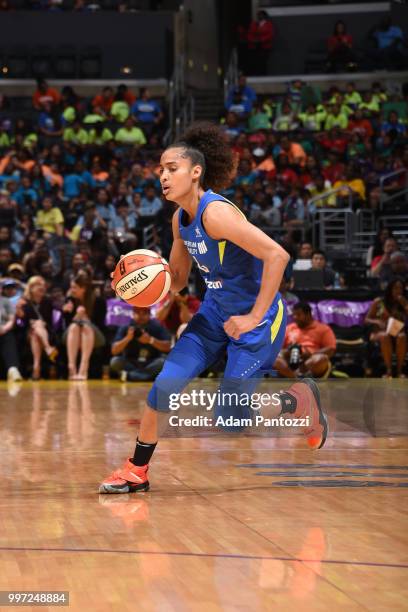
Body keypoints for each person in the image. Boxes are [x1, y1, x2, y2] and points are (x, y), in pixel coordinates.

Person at [99, 122, 328, 495]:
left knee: (230, 417)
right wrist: (134, 278)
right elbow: (175, 281)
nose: (163, 176)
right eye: (161, 169)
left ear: (196, 171)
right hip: (214, 314)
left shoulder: (216, 214)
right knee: (165, 385)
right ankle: (136, 471)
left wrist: (255, 316)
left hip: (259, 319)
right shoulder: (180, 220)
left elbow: (277, 255)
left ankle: (297, 401)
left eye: (171, 168)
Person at [274, 302, 336, 379]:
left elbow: (330, 349)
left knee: (321, 359)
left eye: (298, 315)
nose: (295, 317)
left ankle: (302, 376)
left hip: (310, 361)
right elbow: (277, 348)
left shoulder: (323, 329)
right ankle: (295, 379)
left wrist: (311, 354)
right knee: (274, 359)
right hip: (289, 363)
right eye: (294, 315)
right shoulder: (288, 328)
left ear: (308, 314)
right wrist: (286, 352)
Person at [63, 271, 106, 380]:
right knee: (74, 327)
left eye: (75, 287)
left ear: (84, 288)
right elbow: (67, 326)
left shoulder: (99, 301)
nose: (72, 290)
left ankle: (83, 368)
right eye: (71, 287)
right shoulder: (69, 300)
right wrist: (75, 315)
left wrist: (85, 318)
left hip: (94, 335)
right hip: (72, 336)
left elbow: (100, 324)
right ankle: (71, 367)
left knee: (86, 327)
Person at [110, 306, 171, 382]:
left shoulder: (157, 326)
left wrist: (151, 340)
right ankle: (147, 376)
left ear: (149, 315)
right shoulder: (126, 327)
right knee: (115, 361)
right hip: (131, 362)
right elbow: (114, 351)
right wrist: (127, 338)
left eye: (144, 313)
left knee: (165, 362)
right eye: (138, 313)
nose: (141, 316)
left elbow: (168, 347)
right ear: (133, 314)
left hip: (151, 362)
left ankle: (130, 376)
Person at [16, 275, 58, 380]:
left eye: (43, 285)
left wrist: (41, 324)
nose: (42, 287)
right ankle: (48, 348)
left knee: (37, 330)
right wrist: (19, 311)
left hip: (45, 331)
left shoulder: (48, 301)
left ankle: (36, 368)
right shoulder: (24, 302)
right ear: (30, 288)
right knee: (35, 327)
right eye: (38, 284)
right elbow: (21, 323)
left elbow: (52, 321)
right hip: (27, 333)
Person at [365, 279, 407, 378]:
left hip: (397, 332)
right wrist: (377, 321)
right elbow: (366, 320)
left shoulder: (403, 303)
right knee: (385, 336)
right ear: (390, 289)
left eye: (400, 288)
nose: (398, 291)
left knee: (402, 336)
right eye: (395, 288)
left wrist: (405, 305)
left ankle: (399, 371)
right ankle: (388, 371)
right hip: (379, 332)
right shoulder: (379, 302)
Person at [0, 287, 22, 381]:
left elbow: (11, 320)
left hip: (3, 330)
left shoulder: (6, 301)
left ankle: (13, 370)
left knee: (9, 337)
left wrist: (4, 329)